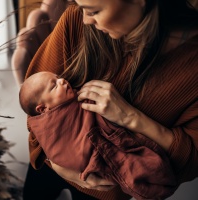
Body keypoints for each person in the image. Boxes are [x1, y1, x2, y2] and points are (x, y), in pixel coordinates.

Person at [22, 0, 198, 199]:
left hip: (105, 194)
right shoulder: (76, 21)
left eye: (94, 11)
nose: (86, 19)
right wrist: (59, 165)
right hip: (48, 166)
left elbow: (191, 161)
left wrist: (131, 118)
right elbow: (33, 110)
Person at [19, 71, 177, 199]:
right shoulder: (48, 122)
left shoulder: (70, 99)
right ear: (43, 109)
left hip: (103, 189)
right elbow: (40, 129)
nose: (62, 80)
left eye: (58, 78)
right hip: (75, 165)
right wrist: (56, 164)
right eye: (54, 86)